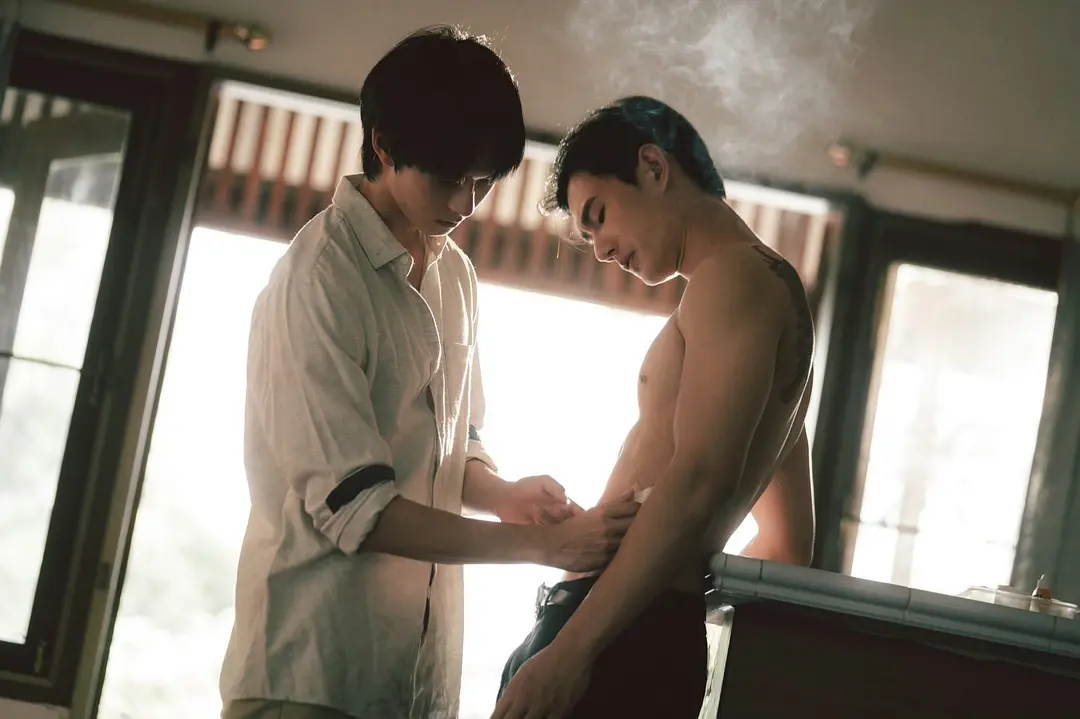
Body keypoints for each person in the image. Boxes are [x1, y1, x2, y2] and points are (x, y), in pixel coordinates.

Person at [218, 27, 639, 719]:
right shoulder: (318, 279)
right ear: (384, 146)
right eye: (449, 178)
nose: (465, 203)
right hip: (309, 674)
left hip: (416, 680)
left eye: (482, 182)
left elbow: (450, 444)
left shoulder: (455, 275)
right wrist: (539, 544)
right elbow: (357, 506)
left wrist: (502, 494)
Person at [493, 96, 817, 719]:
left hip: (615, 638)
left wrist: (574, 651)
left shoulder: (733, 278)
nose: (601, 249)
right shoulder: (767, 297)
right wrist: (667, 574)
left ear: (654, 167)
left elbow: (696, 481)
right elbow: (786, 545)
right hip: (638, 626)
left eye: (598, 216)